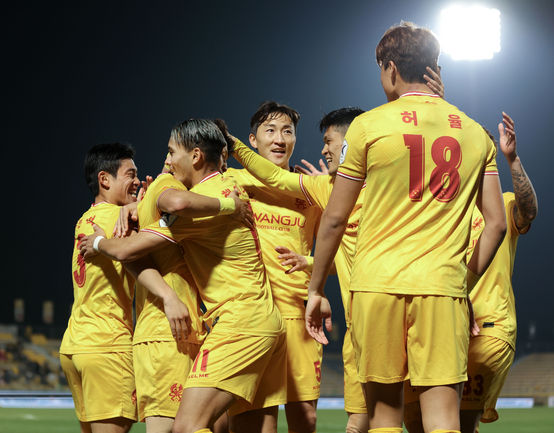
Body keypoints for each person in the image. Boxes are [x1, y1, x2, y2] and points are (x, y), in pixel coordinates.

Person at [305, 22, 507, 433]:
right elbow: (497, 225)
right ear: (435, 67)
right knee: (443, 420)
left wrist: (314, 290)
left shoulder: (368, 126)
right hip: (442, 287)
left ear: (391, 69)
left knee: (383, 418)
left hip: (377, 286)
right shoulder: (474, 133)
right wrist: (463, 283)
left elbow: (336, 218)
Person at [79, 119, 286, 433]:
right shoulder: (231, 184)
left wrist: (98, 242)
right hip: (263, 320)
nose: (169, 162)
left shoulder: (198, 207)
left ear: (196, 156)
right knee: (247, 427)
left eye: (172, 152)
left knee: (188, 426)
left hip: (239, 324)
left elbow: (130, 248)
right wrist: (137, 204)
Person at [404, 113, 538, 433]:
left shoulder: (504, 205)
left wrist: (513, 159)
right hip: (441, 323)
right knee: (415, 420)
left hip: (487, 331)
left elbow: (529, 210)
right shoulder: (441, 209)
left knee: (458, 424)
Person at [62, 142, 197, 433]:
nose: (136, 181)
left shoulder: (86, 220)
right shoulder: (116, 220)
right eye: (130, 174)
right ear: (104, 179)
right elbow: (134, 260)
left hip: (75, 343)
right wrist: (168, 296)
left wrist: (143, 199)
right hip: (107, 344)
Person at [223, 101, 323, 433]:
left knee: (305, 420)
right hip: (253, 315)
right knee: (254, 424)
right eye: (270, 130)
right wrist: (132, 205)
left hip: (298, 316)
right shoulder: (233, 181)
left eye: (287, 131)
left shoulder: (309, 189)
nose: (279, 138)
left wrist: (318, 288)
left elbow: (337, 249)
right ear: (252, 140)